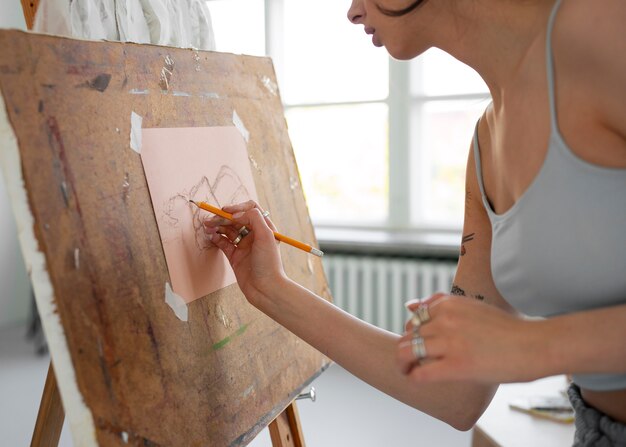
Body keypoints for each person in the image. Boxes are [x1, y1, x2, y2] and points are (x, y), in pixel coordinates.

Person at [204, 0, 626, 444]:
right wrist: (272, 289)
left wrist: (529, 347)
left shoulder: (601, 27)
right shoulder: (487, 142)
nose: (352, 11)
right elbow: (458, 396)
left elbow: (513, 350)